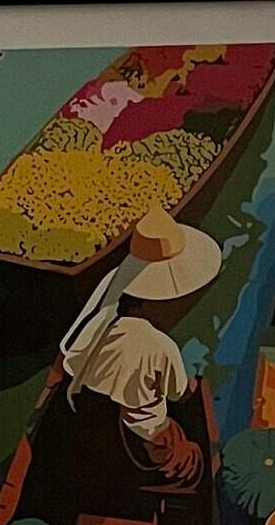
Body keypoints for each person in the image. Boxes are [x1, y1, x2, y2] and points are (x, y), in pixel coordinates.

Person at [57, 208, 221, 493]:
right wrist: (190, 388)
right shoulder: (160, 347)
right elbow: (179, 394)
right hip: (143, 433)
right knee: (190, 459)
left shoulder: (103, 320)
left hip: (96, 414)